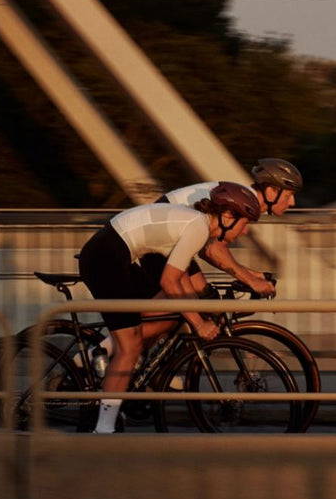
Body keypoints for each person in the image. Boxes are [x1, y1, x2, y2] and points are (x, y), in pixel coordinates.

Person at [76, 181, 262, 433]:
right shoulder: (198, 227)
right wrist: (198, 323)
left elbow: (179, 281)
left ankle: (112, 353)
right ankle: (104, 428)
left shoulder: (198, 225)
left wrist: (198, 310)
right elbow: (169, 280)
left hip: (118, 252)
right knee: (128, 348)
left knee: (168, 316)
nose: (245, 232)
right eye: (245, 223)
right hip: (106, 256)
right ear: (228, 216)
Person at [158, 158, 304, 298]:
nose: (292, 202)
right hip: (160, 237)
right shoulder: (242, 203)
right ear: (271, 191)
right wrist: (251, 280)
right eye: (289, 195)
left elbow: (208, 248)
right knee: (200, 303)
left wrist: (250, 274)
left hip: (170, 239)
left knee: (204, 301)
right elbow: (212, 250)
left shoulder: (245, 199)